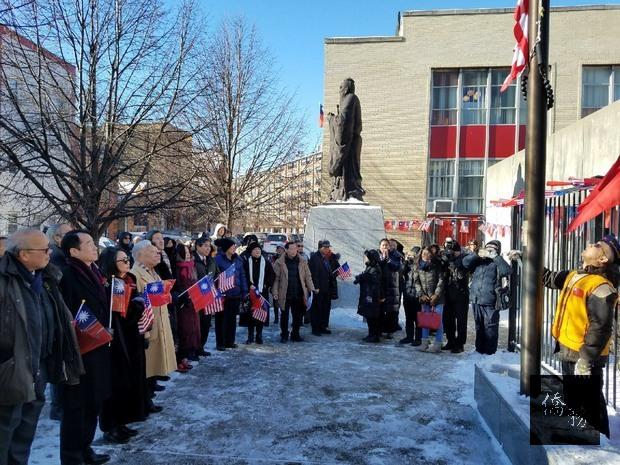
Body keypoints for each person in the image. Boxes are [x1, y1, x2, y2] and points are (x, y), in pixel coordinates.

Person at [0, 229, 82, 465]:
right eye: (44, 249)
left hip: (39, 367)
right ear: (24, 254)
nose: (50, 253)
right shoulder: (4, 280)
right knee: (5, 432)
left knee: (24, 433)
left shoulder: (45, 278)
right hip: (11, 371)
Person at [529, 234, 619, 438]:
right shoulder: (574, 275)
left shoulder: (601, 286)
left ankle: (600, 443)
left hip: (583, 355)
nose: (589, 244)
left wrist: (586, 360)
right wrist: (527, 260)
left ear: (603, 259)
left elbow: (601, 327)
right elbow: (549, 278)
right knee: (579, 400)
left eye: (597, 245)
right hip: (569, 350)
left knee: (589, 403)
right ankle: (585, 437)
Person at [58, 230, 112, 465]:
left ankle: (86, 448)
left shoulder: (95, 271)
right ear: (74, 251)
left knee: (93, 401)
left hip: (98, 345)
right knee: (76, 406)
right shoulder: (68, 275)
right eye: (89, 243)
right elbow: (68, 313)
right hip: (79, 349)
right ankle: (72, 456)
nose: (94, 247)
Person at [97, 247, 147, 444]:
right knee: (115, 384)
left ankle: (123, 421)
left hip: (132, 337)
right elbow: (119, 315)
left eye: (127, 259)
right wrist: (137, 305)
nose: (127, 263)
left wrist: (139, 304)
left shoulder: (130, 280)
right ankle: (110, 426)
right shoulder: (108, 284)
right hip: (116, 341)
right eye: (122, 260)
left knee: (128, 382)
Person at [130, 241, 176, 413]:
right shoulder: (134, 274)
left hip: (160, 323)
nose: (158, 254)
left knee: (152, 368)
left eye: (158, 252)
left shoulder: (153, 272)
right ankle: (143, 402)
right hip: (149, 328)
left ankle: (147, 399)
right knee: (146, 368)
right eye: (153, 252)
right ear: (140, 254)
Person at [462, 239, 512, 355]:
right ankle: (479, 349)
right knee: (479, 325)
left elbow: (507, 271)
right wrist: (475, 254)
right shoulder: (479, 260)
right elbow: (465, 263)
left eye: (492, 249)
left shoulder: (497, 262)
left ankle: (490, 351)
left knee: (491, 327)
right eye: (487, 248)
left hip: (491, 300)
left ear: (497, 250)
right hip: (476, 298)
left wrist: (495, 256)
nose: (488, 251)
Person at [272, 242, 315, 343]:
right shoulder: (279, 262)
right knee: (284, 315)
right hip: (284, 293)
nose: (293, 251)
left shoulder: (302, 261)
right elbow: (276, 279)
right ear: (286, 250)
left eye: (295, 249)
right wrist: (275, 292)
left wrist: (311, 289)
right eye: (291, 249)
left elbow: (308, 277)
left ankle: (295, 334)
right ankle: (284, 334)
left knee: (298, 316)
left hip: (298, 293)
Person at [214, 238, 248, 350]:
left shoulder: (238, 260)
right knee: (221, 320)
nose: (235, 248)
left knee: (232, 319)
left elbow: (242, 275)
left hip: (235, 293)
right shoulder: (218, 259)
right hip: (223, 295)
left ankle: (230, 341)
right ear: (226, 247)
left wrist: (244, 291)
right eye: (232, 246)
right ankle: (220, 343)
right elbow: (214, 276)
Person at [241, 242, 275, 344]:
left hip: (261, 293)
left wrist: (266, 284)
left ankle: (259, 336)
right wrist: (248, 284)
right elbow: (243, 275)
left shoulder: (266, 262)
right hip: (250, 293)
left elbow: (272, 275)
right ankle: (250, 336)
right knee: (250, 315)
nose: (257, 251)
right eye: (255, 250)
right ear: (251, 252)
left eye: (259, 249)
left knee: (261, 315)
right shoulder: (247, 262)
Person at [174, 243, 201, 369]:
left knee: (194, 327)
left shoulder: (192, 266)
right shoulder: (178, 268)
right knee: (185, 328)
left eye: (189, 251)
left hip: (193, 301)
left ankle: (192, 350)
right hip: (184, 303)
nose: (188, 254)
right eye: (185, 252)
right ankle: (183, 355)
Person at [414, 247, 446, 353]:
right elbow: (416, 281)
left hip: (437, 298)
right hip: (424, 298)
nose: (426, 256)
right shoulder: (418, 266)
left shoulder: (437, 265)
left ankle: (438, 343)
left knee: (438, 320)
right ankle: (424, 343)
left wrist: (436, 295)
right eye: (423, 254)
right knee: (425, 320)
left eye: (428, 254)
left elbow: (441, 280)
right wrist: (421, 294)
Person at [441, 238, 469, 353]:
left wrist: (452, 261)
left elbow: (461, 275)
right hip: (447, 293)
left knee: (461, 321)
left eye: (452, 250)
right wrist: (444, 260)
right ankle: (450, 341)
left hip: (460, 294)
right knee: (448, 319)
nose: (450, 252)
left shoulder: (464, 259)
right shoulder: (447, 258)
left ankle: (460, 344)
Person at [308, 240, 340, 336]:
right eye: (325, 247)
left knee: (325, 308)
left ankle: (323, 326)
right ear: (320, 247)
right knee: (317, 309)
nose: (327, 249)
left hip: (327, 288)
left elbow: (329, 271)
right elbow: (314, 274)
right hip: (319, 288)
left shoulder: (326, 258)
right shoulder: (315, 258)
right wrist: (316, 287)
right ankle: (316, 328)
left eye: (328, 247)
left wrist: (335, 273)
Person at [193, 237, 217, 356]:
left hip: (208, 296)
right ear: (198, 246)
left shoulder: (211, 260)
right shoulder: (193, 260)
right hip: (197, 297)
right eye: (205, 246)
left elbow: (216, 275)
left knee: (206, 323)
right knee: (196, 324)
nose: (208, 248)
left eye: (209, 246)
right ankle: (194, 348)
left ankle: (201, 347)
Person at [354, 249, 383, 343]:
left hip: (372, 296)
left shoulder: (375, 268)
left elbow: (375, 282)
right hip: (368, 294)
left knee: (372, 317)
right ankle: (372, 334)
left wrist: (365, 278)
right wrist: (361, 278)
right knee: (369, 316)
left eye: (366, 257)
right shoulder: (370, 267)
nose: (365, 258)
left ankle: (374, 335)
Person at [378, 238, 402, 338]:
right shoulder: (377, 256)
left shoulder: (396, 256)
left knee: (391, 311)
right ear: (380, 247)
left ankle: (389, 331)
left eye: (386, 245)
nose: (385, 247)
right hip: (381, 286)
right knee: (380, 309)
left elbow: (397, 266)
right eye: (383, 245)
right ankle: (379, 330)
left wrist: (388, 259)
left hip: (392, 286)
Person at [400, 246, 422, 346]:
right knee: (409, 317)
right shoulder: (408, 264)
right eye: (411, 254)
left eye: (414, 254)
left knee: (418, 319)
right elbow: (401, 272)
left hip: (418, 296)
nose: (412, 256)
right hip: (408, 294)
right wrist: (405, 261)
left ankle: (418, 338)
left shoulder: (421, 264)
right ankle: (409, 336)